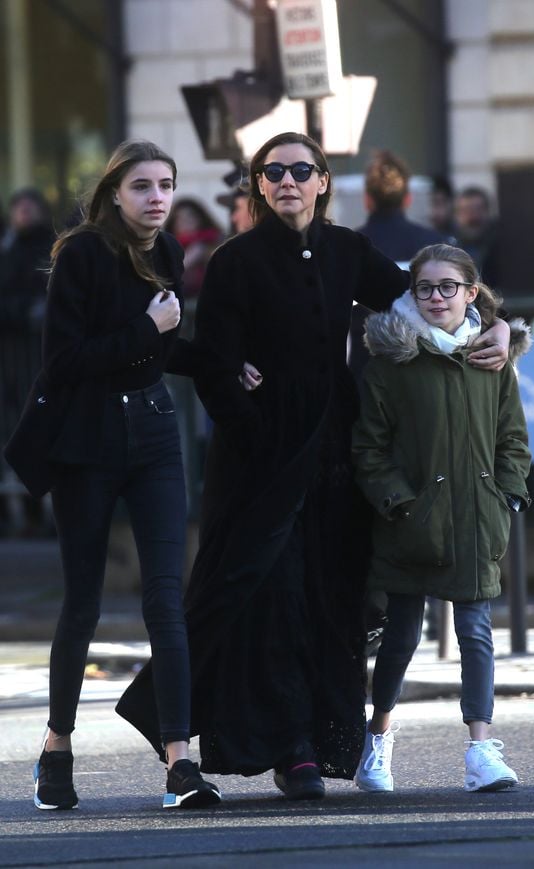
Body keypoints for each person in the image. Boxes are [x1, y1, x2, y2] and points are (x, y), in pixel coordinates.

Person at [116, 132, 513, 802]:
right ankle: (287, 747)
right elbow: (215, 363)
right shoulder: (235, 260)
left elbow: (424, 295)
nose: (287, 181)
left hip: (333, 442)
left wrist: (499, 324)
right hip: (261, 451)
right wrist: (253, 429)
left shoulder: (347, 249)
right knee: (264, 591)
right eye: (273, 172)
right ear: (259, 186)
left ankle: (326, 738)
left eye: (301, 170)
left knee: (331, 591)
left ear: (324, 181)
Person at [4, 140, 220, 811]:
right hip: (89, 440)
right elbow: (65, 362)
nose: (157, 197)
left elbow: (160, 346)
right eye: (142, 186)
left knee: (166, 598)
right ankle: (56, 745)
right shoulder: (81, 254)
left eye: (166, 185)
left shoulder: (169, 253)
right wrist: (144, 326)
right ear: (114, 194)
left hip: (154, 433)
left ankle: (181, 760)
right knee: (84, 603)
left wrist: (221, 365)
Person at [351, 243, 531, 795]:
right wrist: (400, 503)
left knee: (477, 632)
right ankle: (376, 740)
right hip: (411, 522)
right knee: (401, 636)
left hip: (477, 518)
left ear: (471, 293)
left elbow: (513, 440)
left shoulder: (491, 359)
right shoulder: (391, 360)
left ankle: (480, 749)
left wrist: (508, 497)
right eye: (424, 288)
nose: (435, 298)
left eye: (447, 287)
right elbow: (370, 448)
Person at [349, 150, 444, 385]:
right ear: (407, 198)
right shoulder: (437, 246)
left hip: (365, 374)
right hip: (427, 371)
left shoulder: (347, 247)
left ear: (367, 199)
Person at [0, 188, 54, 534]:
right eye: (18, 206)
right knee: (11, 426)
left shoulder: (53, 249)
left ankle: (48, 510)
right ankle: (16, 510)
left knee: (44, 424)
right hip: (11, 359)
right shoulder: (7, 252)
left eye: (29, 206)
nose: (24, 213)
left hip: (45, 357)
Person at [165, 197, 223, 303]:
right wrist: (187, 261)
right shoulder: (165, 249)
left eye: (190, 216)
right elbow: (163, 282)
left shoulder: (216, 243)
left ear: (201, 219)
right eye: (179, 219)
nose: (186, 222)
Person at [454, 186, 501, 286]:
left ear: (489, 212)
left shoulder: (504, 248)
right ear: (457, 215)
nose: (474, 216)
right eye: (466, 210)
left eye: (479, 209)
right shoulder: (448, 250)